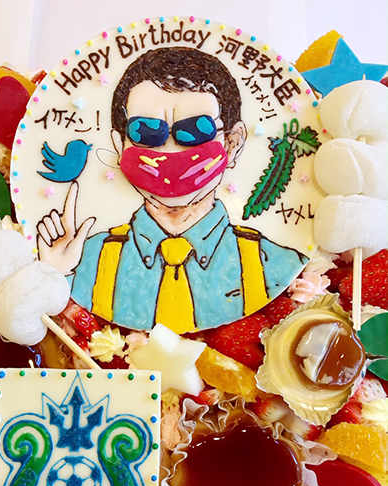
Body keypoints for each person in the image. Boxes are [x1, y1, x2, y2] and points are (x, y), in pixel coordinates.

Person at [38, 47, 307, 334]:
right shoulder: (82, 262)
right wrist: (54, 275)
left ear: (232, 143)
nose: (169, 152)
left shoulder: (279, 265)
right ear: (120, 145)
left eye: (197, 131)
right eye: (145, 132)